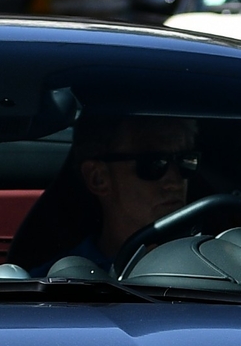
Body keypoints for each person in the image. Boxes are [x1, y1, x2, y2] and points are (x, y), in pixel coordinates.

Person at [57, 115, 202, 271]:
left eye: (185, 161)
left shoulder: (216, 262)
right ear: (98, 178)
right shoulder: (58, 284)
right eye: (154, 163)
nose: (175, 182)